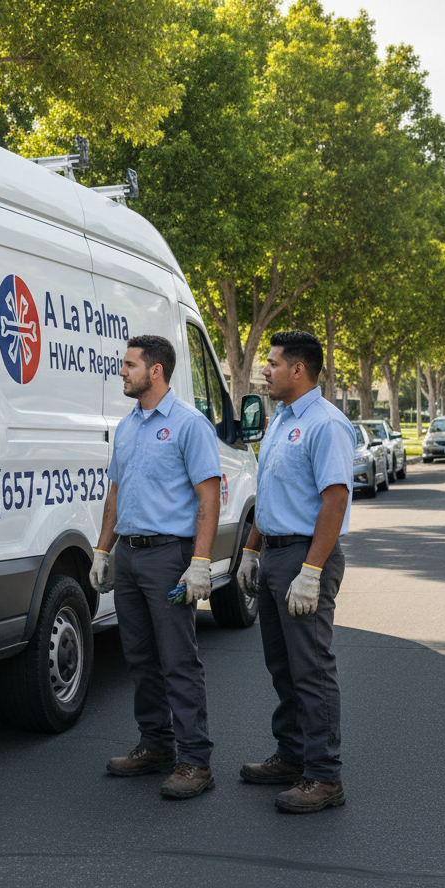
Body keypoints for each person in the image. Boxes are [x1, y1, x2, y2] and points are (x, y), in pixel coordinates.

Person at [91, 335, 221, 800]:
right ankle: (156, 745)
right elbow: (116, 493)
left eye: (129, 365)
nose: (122, 372)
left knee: (177, 659)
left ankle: (195, 761)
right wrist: (103, 551)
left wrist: (200, 562)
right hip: (129, 555)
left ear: (156, 370)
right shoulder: (127, 426)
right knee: (140, 657)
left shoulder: (189, 424)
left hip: (169, 556)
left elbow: (209, 497)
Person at [236, 330, 353, 813]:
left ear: (298, 369)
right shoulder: (281, 419)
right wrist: (250, 551)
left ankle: (324, 776)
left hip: (306, 556)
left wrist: (311, 572)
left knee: (311, 669)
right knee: (282, 665)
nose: (265, 370)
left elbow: (335, 500)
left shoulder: (326, 424)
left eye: (273, 363)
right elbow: (271, 494)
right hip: (274, 553)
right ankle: (292, 755)